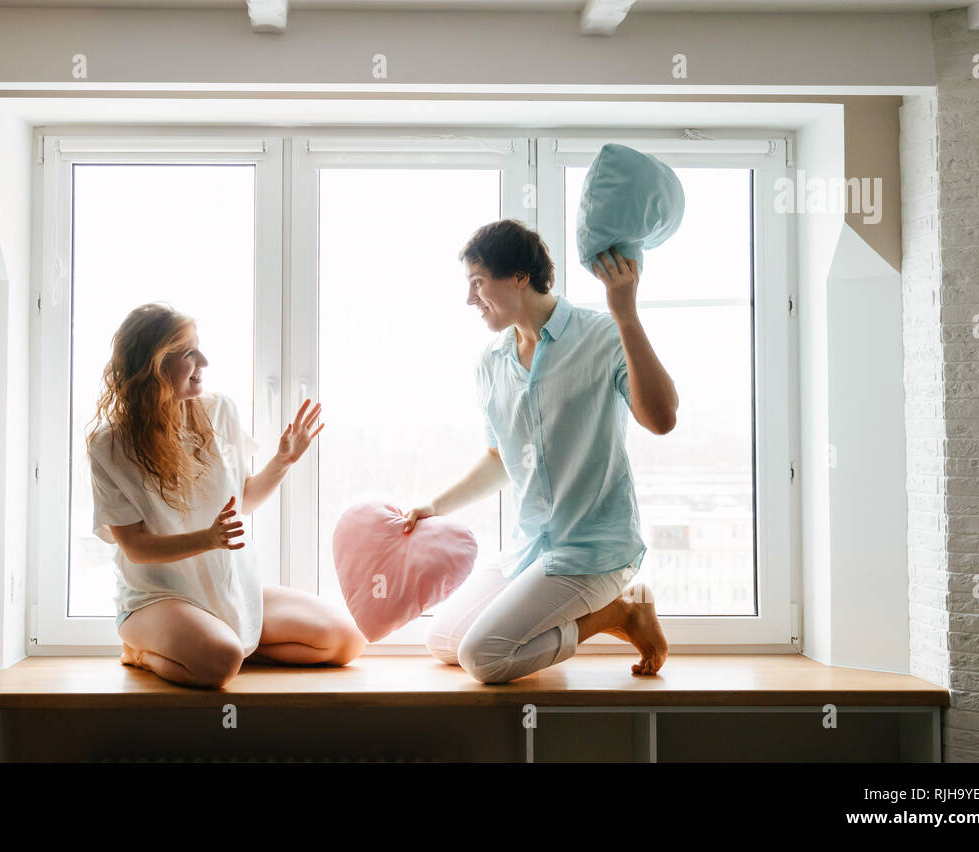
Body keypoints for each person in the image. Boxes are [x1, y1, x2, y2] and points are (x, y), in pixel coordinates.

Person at [402, 219, 674, 684]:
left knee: (485, 658)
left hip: (594, 550)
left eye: (478, 282)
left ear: (520, 276)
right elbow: (499, 459)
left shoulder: (602, 335)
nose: (470, 298)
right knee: (444, 642)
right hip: (531, 549)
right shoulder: (491, 363)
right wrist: (434, 506)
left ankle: (620, 614)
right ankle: (610, 613)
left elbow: (661, 418)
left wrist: (626, 316)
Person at [86, 303, 366, 689]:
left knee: (346, 641)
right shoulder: (110, 444)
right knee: (219, 666)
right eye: (189, 353)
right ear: (153, 365)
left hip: (229, 588)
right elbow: (135, 548)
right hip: (160, 597)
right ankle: (140, 651)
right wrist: (207, 539)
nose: (204, 359)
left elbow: (245, 499)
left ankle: (224, 646)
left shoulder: (219, 410)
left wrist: (283, 460)